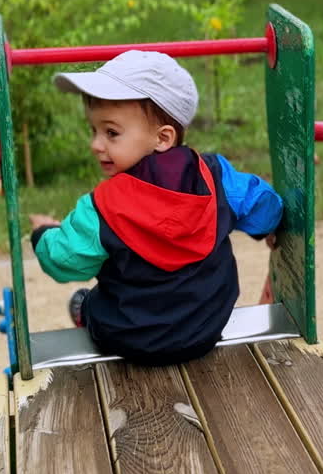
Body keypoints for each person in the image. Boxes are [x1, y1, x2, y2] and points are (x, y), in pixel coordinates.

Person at [28, 50, 282, 366]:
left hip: (129, 338)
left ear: (162, 138)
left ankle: (84, 311)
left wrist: (42, 233)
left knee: (91, 302)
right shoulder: (216, 176)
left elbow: (63, 261)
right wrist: (269, 227)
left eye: (111, 133)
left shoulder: (102, 207)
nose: (96, 144)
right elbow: (261, 203)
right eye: (93, 131)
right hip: (206, 327)